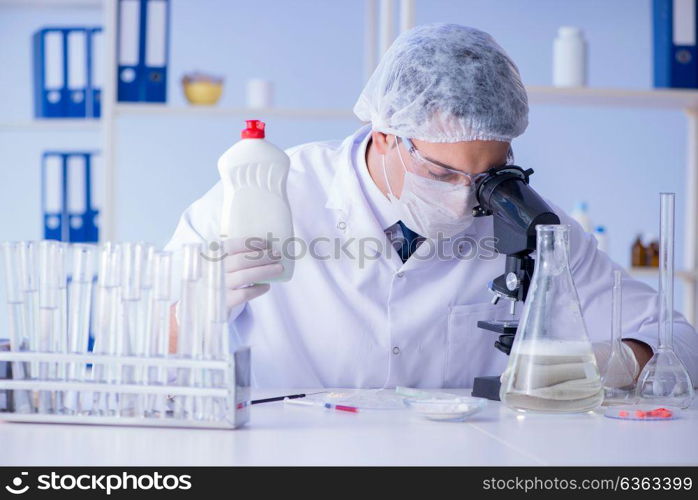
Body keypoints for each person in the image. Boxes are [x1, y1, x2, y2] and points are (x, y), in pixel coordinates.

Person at [165, 24, 698, 388]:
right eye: (442, 172)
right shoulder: (275, 189)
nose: (467, 198)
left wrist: (620, 361)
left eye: (487, 176)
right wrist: (194, 311)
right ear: (385, 135)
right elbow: (139, 345)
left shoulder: (527, 222)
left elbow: (681, 341)